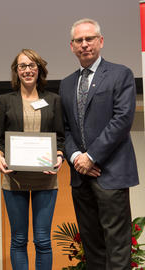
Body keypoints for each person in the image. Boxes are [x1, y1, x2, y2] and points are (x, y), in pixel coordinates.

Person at [59, 18, 139, 269]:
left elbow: (122, 120)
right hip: (80, 176)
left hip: (110, 173)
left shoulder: (121, 74)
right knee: (92, 246)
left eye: (89, 39)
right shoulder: (67, 83)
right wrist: (75, 159)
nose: (84, 44)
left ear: (100, 41)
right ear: (71, 46)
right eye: (79, 40)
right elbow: (66, 129)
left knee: (117, 246)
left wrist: (90, 156)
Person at [0, 48, 65, 270]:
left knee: (42, 240)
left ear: (39, 69)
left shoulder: (53, 100)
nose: (27, 70)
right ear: (16, 71)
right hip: (14, 179)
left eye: (32, 65)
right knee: (19, 240)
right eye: (22, 66)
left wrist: (59, 156)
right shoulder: (5, 100)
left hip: (46, 178)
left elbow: (60, 138)